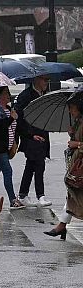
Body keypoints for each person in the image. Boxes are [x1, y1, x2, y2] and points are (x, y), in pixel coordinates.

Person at [45, 98, 83, 240]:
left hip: (80, 168)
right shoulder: (79, 121)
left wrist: (77, 144)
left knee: (75, 196)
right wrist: (72, 133)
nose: (70, 111)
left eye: (72, 107)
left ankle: (61, 226)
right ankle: (61, 226)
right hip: (76, 167)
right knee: (73, 195)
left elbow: (79, 143)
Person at [14, 75, 51, 207]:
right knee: (39, 164)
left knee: (31, 165)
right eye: (45, 80)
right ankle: (40, 195)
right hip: (31, 136)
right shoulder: (25, 96)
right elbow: (18, 118)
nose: (47, 82)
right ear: (36, 80)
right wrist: (29, 135)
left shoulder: (45, 94)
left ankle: (23, 194)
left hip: (42, 134)